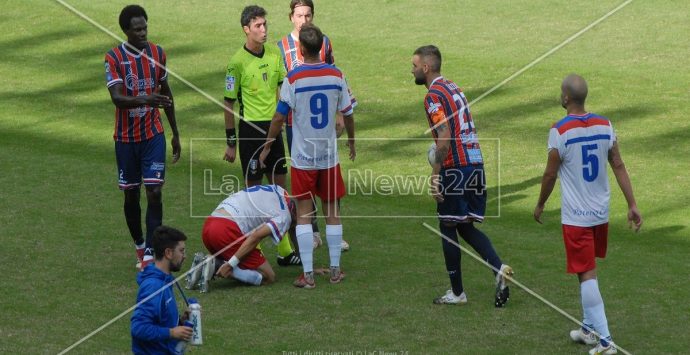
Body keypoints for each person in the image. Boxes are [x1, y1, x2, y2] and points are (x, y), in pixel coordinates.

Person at [534, 74, 642, 355]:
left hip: (576, 217)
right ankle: (588, 329)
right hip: (600, 213)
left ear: (566, 98)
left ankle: (605, 341)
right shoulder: (605, 125)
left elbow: (549, 173)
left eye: (561, 92)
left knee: (586, 274)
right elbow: (618, 164)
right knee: (586, 269)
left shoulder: (560, 130)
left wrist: (541, 203)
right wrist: (632, 204)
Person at [411, 45, 513, 307]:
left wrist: (436, 174)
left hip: (456, 167)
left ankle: (457, 293)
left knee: (447, 227)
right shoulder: (454, 88)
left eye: (414, 65)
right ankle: (499, 268)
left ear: (426, 67)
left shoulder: (433, 96)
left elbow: (443, 137)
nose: (411, 70)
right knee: (464, 226)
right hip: (475, 163)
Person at [260, 24, 355, 289]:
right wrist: (352, 141)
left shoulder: (294, 78)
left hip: (303, 159)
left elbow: (279, 116)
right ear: (322, 47)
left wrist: (269, 144)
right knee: (332, 213)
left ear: (301, 48)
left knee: (303, 215)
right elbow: (347, 113)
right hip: (328, 157)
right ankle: (335, 271)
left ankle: (309, 275)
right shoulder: (336, 75)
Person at [105, 4, 181, 270]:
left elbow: (166, 94)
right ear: (126, 31)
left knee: (155, 192)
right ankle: (139, 246)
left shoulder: (158, 54)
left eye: (145, 27)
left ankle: (151, 251)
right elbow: (117, 98)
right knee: (131, 196)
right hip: (126, 140)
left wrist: (175, 133)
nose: (142, 33)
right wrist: (146, 99)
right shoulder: (114, 58)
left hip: (153, 135)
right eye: (137, 29)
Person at [277, 0, 355, 253]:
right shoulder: (281, 47)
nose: (304, 20)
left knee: (328, 173)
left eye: (308, 15)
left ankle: (333, 229)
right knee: (304, 174)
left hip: (322, 126)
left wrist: (340, 115)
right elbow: (281, 85)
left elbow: (336, 73)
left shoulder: (325, 42)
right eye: (299, 15)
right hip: (295, 123)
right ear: (291, 17)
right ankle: (312, 231)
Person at [185, 184, 296, 293]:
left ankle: (208, 264)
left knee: (244, 258)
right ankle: (216, 265)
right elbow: (255, 237)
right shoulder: (284, 216)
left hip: (209, 226)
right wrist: (230, 264)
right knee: (268, 276)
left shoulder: (280, 190)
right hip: (225, 230)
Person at [131, 226, 192, 354]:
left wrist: (181, 321)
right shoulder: (153, 287)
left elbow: (160, 320)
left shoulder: (165, 279)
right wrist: (171, 332)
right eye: (181, 251)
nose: (184, 256)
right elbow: (138, 328)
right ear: (168, 253)